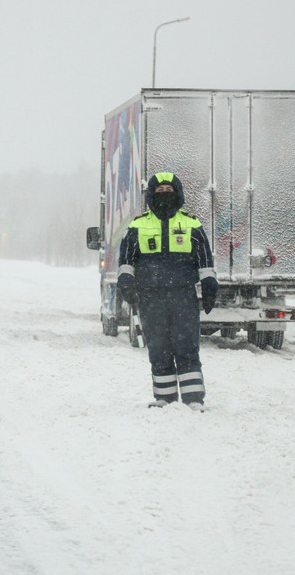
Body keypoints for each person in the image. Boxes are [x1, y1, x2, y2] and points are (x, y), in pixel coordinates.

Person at [117, 172, 218, 410]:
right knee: (159, 347)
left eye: (168, 191)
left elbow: (205, 261)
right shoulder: (137, 226)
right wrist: (126, 284)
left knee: (187, 347)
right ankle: (165, 398)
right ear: (151, 195)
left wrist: (210, 286)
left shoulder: (191, 224)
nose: (164, 195)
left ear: (178, 194)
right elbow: (126, 261)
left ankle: (194, 400)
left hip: (183, 297)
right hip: (151, 298)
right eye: (159, 191)